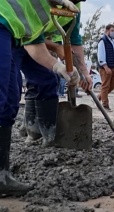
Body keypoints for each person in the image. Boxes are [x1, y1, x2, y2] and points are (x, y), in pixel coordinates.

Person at [0, 0, 81, 196]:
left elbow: (35, 44)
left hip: (12, 36)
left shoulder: (50, 13)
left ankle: (2, 176)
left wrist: (58, 67)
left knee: (10, 101)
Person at [21, 1, 92, 148]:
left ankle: (33, 129)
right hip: (22, 37)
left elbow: (75, 39)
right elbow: (30, 34)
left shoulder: (75, 6)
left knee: (41, 80)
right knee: (45, 79)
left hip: (38, 40)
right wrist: (56, 48)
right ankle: (41, 132)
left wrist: (84, 72)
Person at [97, 24, 114, 112]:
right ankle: (105, 105)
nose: (113, 32)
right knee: (105, 85)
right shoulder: (103, 41)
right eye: (112, 30)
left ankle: (98, 98)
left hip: (113, 66)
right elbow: (101, 55)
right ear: (107, 31)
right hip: (105, 67)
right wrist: (105, 66)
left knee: (113, 85)